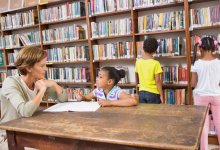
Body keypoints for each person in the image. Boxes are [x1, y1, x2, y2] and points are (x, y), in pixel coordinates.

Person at [0, 46, 68, 124]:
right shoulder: (10, 83)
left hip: (30, 125)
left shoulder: (38, 81)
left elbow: (63, 99)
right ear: (29, 68)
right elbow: (25, 111)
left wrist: (54, 84)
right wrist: (42, 90)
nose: (46, 69)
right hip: (10, 131)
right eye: (42, 66)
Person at [191, 36, 220, 150]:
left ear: (200, 48)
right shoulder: (219, 63)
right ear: (215, 47)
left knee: (203, 127)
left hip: (201, 96)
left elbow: (193, 84)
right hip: (217, 95)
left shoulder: (197, 64)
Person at [135, 38, 164, 104]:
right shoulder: (156, 63)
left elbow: (137, 78)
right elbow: (158, 81)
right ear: (155, 51)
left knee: (144, 113)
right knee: (154, 113)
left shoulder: (138, 62)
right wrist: (161, 95)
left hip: (141, 92)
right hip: (153, 93)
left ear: (143, 48)